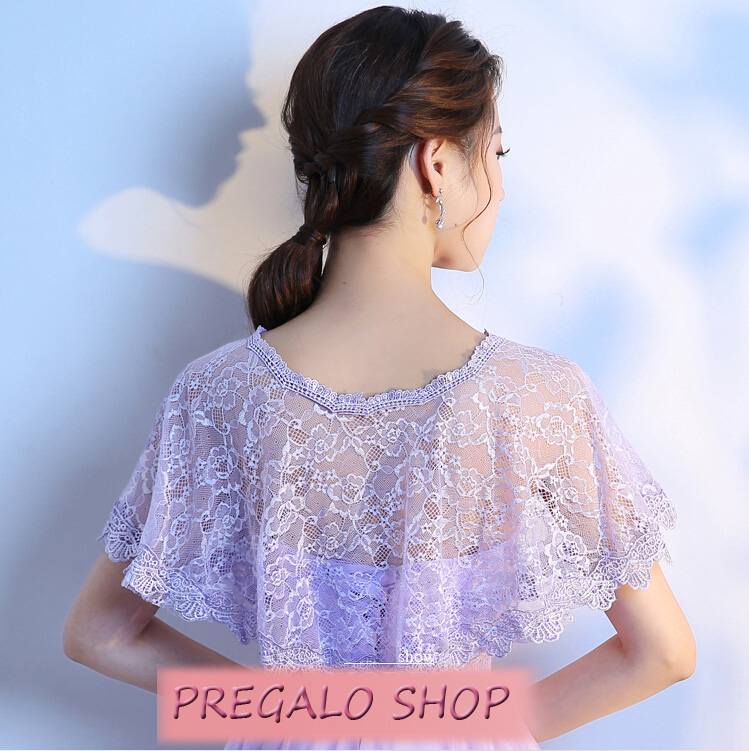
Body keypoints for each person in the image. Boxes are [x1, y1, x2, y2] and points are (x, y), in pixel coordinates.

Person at [63, 5, 696, 750]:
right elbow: (663, 652)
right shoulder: (538, 397)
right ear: (437, 162)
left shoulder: (216, 394)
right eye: (495, 151)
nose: (499, 182)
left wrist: (298, 715)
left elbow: (100, 633)